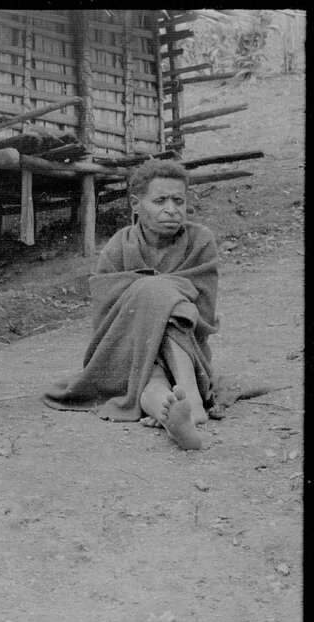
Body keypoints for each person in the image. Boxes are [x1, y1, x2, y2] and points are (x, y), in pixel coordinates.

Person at [43, 160, 218, 450]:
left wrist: (156, 296)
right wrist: (153, 297)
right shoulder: (117, 247)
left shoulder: (200, 241)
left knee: (159, 297)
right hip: (127, 350)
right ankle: (182, 409)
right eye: (160, 200)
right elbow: (107, 314)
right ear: (136, 205)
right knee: (153, 296)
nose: (171, 209)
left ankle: (178, 405)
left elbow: (203, 309)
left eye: (179, 200)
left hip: (187, 349)